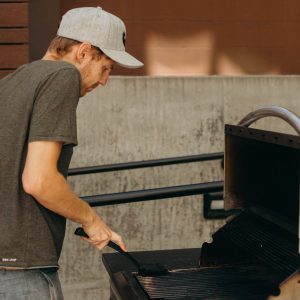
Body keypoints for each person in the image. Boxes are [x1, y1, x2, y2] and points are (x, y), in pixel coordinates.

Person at [0, 6, 143, 300]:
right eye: (106, 68)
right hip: (23, 274)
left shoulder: (12, 82)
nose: (104, 81)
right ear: (84, 52)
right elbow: (38, 180)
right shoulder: (62, 75)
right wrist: (92, 220)